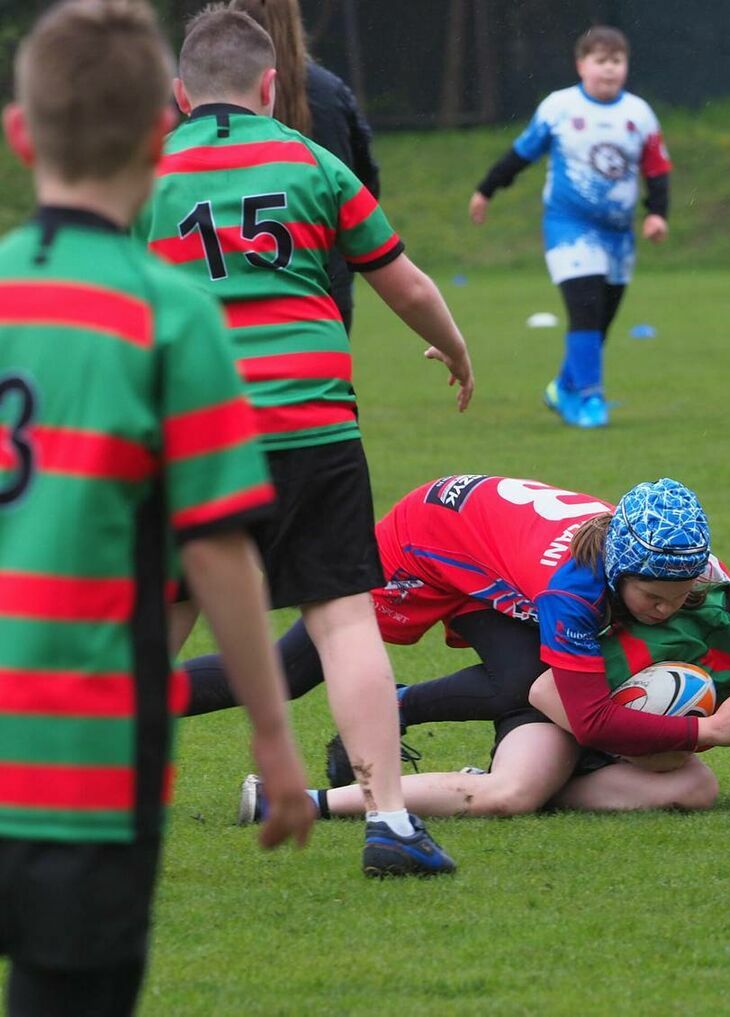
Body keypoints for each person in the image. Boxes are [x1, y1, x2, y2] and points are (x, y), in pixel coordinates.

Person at [0, 3, 312, 1013]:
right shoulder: (171, 316)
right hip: (88, 771)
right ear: (159, 134)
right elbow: (218, 552)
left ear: (19, 132)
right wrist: (272, 735)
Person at [135, 7, 475, 877]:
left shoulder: (145, 178)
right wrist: (454, 344)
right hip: (311, 425)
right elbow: (403, 280)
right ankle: (391, 823)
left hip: (193, 433)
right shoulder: (313, 162)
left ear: (179, 94)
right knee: (341, 618)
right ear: (271, 85)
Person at [239, 523, 730, 824]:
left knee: (697, 786)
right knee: (510, 795)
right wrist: (706, 726)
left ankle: (538, 781)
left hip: (608, 745)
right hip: (560, 704)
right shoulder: (684, 608)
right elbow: (543, 688)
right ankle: (298, 801)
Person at [179, 476, 730, 769]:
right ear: (618, 568)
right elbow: (590, 720)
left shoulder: (683, 562)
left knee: (526, 677)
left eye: (676, 597)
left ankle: (395, 714)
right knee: (287, 672)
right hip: (424, 542)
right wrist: (706, 733)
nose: (665, 610)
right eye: (651, 598)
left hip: (483, 538)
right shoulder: (571, 590)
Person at [469, 26, 670, 429]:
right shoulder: (559, 108)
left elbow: (656, 168)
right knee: (584, 309)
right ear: (581, 65)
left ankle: (564, 387)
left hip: (618, 234)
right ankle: (591, 400)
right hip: (569, 227)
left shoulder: (639, 115)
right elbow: (521, 153)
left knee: (601, 322)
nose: (609, 70)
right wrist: (486, 190)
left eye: (617, 61)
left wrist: (656, 213)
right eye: (600, 61)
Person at [230, 0, 382, 334]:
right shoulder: (328, 94)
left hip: (233, 288)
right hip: (324, 289)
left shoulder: (213, 105)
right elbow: (364, 191)